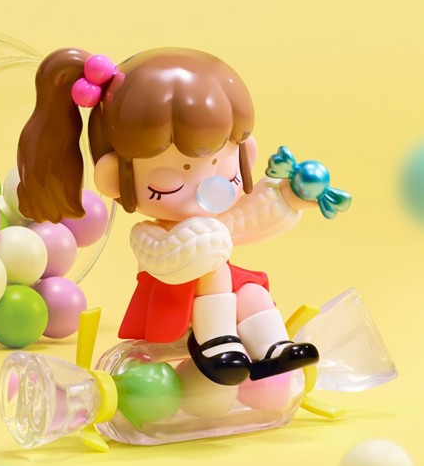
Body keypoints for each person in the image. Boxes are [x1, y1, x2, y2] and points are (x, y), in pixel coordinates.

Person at [17, 47, 321, 386]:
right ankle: (216, 342)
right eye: (174, 178)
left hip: (219, 286)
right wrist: (204, 245)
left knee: (252, 291)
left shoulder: (216, 222)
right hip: (171, 293)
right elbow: (168, 260)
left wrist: (289, 197)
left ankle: (272, 346)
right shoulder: (149, 235)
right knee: (217, 272)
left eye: (224, 165)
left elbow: (250, 218)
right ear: (114, 176)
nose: (209, 184)